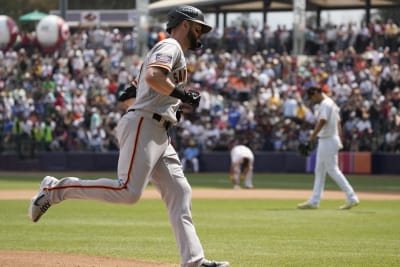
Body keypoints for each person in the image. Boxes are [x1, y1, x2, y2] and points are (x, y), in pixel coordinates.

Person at [29, 6, 229, 267]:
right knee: (128, 192)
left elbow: (141, 83)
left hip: (159, 131)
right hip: (144, 125)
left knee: (180, 192)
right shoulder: (171, 46)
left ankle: (194, 261)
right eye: (198, 27)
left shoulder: (170, 50)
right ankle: (54, 189)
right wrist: (181, 95)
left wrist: (156, 98)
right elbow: (153, 75)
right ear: (184, 25)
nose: (200, 33)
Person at [297, 85, 360, 210]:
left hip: (328, 139)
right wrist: (339, 138)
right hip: (330, 138)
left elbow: (323, 121)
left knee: (332, 170)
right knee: (319, 170)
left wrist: (312, 137)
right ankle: (314, 200)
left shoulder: (325, 104)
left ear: (316, 93)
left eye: (311, 97)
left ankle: (351, 196)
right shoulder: (332, 103)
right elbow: (338, 122)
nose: (312, 100)